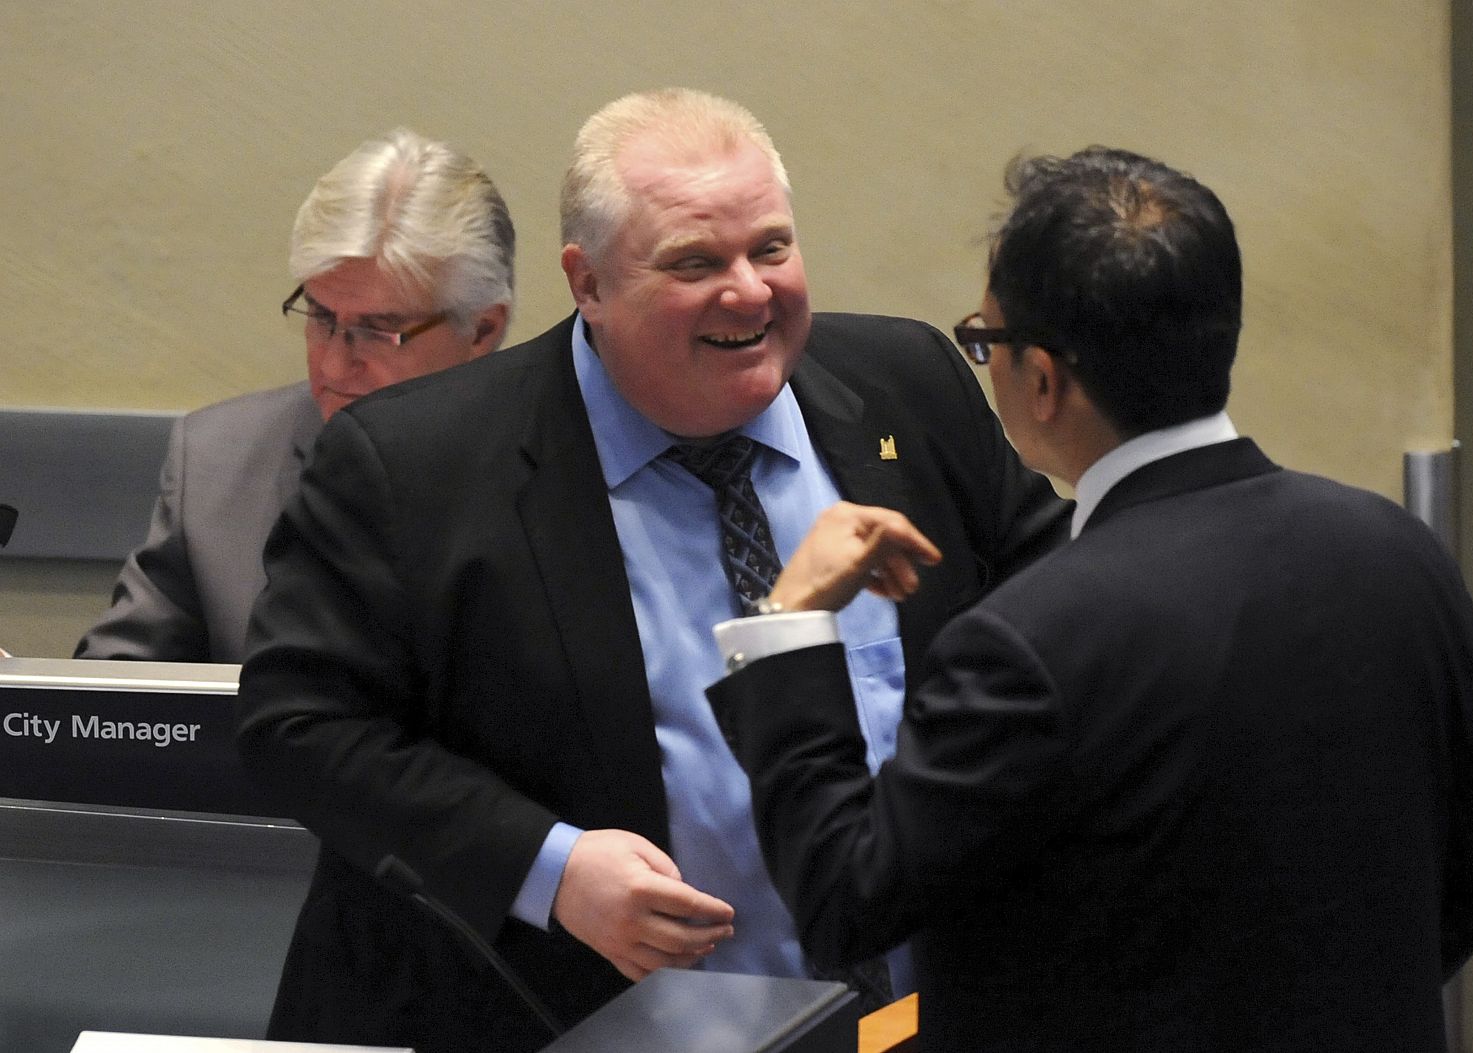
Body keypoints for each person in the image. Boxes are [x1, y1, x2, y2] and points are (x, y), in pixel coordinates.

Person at [233, 88, 1069, 1052]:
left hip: (919, 1022)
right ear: (586, 283)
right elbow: (299, 725)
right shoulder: (414, 463)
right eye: (695, 263)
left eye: (771, 248)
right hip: (576, 1019)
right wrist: (550, 869)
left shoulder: (907, 386)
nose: (750, 292)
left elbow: (1060, 616)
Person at [708, 147, 1473, 1052]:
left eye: (985, 343)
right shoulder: (1397, 555)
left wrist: (786, 629)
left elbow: (846, 902)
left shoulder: (1027, 643)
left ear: (1045, 380)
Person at [75, 128, 514, 663]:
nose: (333, 365)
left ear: (483, 331)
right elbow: (116, 701)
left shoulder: (574, 476)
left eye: (379, 330)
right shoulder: (216, 467)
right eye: (322, 317)